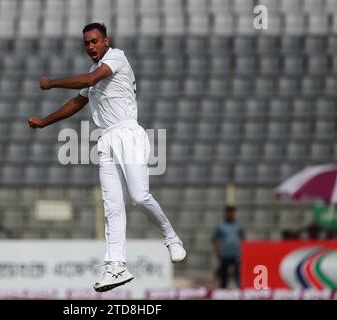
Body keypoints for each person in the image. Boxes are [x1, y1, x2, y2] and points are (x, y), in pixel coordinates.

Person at [28, 23, 186, 292]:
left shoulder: (116, 57)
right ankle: (116, 265)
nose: (90, 47)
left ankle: (171, 237)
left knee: (138, 196)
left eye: (94, 41)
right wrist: (45, 121)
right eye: (86, 43)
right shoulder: (93, 71)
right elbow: (78, 101)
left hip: (128, 132)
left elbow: (89, 82)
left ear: (105, 41)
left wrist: (52, 83)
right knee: (112, 205)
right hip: (107, 139)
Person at [212, 205, 245, 289]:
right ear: (225, 213)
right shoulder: (220, 225)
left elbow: (242, 238)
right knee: (224, 273)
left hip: (236, 253)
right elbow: (215, 238)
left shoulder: (238, 225)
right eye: (228, 212)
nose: (230, 214)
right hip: (224, 253)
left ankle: (238, 287)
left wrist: (242, 250)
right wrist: (217, 250)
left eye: (231, 212)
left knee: (237, 272)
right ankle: (223, 289)